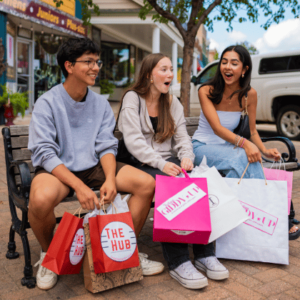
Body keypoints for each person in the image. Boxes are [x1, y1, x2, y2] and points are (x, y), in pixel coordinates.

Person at [28, 37, 164, 290]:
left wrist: (111, 179)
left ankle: (124, 251)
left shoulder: (100, 104)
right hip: (58, 170)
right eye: (88, 62)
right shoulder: (47, 102)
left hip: (94, 167)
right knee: (40, 198)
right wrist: (78, 186)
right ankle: (49, 256)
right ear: (69, 66)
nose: (96, 67)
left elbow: (106, 145)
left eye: (96, 61)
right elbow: (45, 153)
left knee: (145, 183)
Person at [117, 53, 229, 290]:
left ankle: (204, 254)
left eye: (171, 70)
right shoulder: (132, 98)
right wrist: (162, 164)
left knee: (197, 182)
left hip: (165, 162)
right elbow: (134, 143)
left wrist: (187, 156)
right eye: (164, 70)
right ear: (149, 75)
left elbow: (182, 138)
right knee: (172, 187)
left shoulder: (172, 101)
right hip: (136, 163)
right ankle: (179, 262)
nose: (170, 75)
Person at [192, 45, 300, 240]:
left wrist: (265, 151)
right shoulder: (206, 90)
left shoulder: (250, 94)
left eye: (234, 63)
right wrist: (245, 144)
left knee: (245, 164)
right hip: (201, 149)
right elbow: (217, 129)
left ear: (244, 70)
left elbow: (252, 131)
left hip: (228, 150)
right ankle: (274, 216)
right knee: (241, 157)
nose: (227, 67)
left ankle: (243, 226)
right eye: (224, 62)